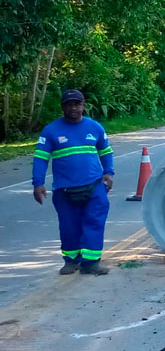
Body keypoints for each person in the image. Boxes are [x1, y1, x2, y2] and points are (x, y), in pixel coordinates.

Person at [32, 89, 114, 275]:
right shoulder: (51, 131)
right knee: (69, 227)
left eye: (78, 104)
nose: (74, 108)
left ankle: (91, 263)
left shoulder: (95, 127)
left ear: (83, 105)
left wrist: (108, 173)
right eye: (69, 104)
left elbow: (106, 151)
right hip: (64, 190)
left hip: (94, 187)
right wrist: (38, 183)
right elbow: (41, 158)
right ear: (63, 107)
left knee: (94, 223)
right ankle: (71, 261)